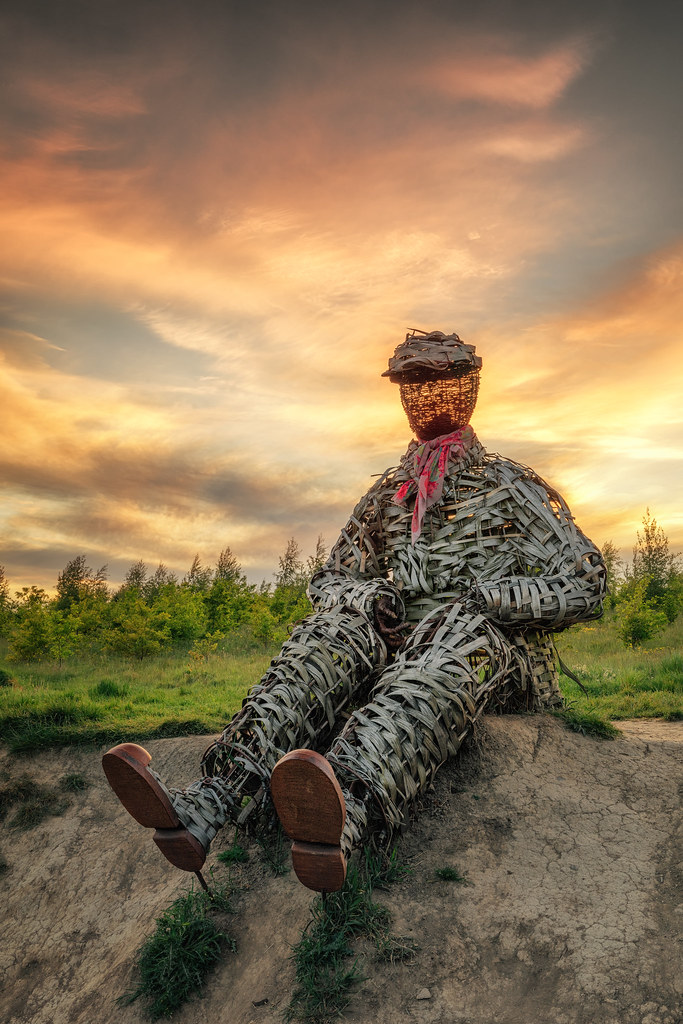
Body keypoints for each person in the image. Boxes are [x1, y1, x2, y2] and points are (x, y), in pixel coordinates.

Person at [103, 329, 606, 893]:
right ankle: (207, 804)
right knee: (335, 632)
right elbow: (332, 577)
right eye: (413, 385)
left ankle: (344, 809)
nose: (426, 396)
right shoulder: (393, 493)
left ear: (469, 389)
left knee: (458, 633)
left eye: (440, 383)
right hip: (402, 651)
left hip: (488, 659)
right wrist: (369, 598)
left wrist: (487, 598)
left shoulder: (510, 487)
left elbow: (587, 580)